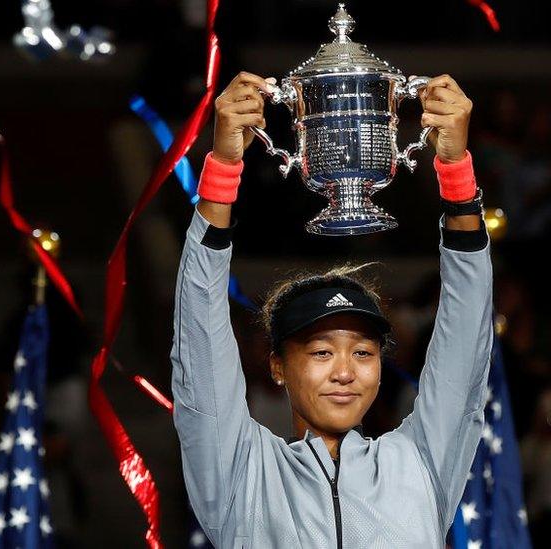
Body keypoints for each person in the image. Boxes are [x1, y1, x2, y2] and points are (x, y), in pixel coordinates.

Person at [172, 72, 491, 547]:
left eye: (363, 353)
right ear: (277, 365)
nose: (345, 372)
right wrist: (222, 167)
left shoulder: (422, 462)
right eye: (321, 352)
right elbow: (198, 337)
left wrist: (456, 175)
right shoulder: (240, 471)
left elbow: (466, 335)